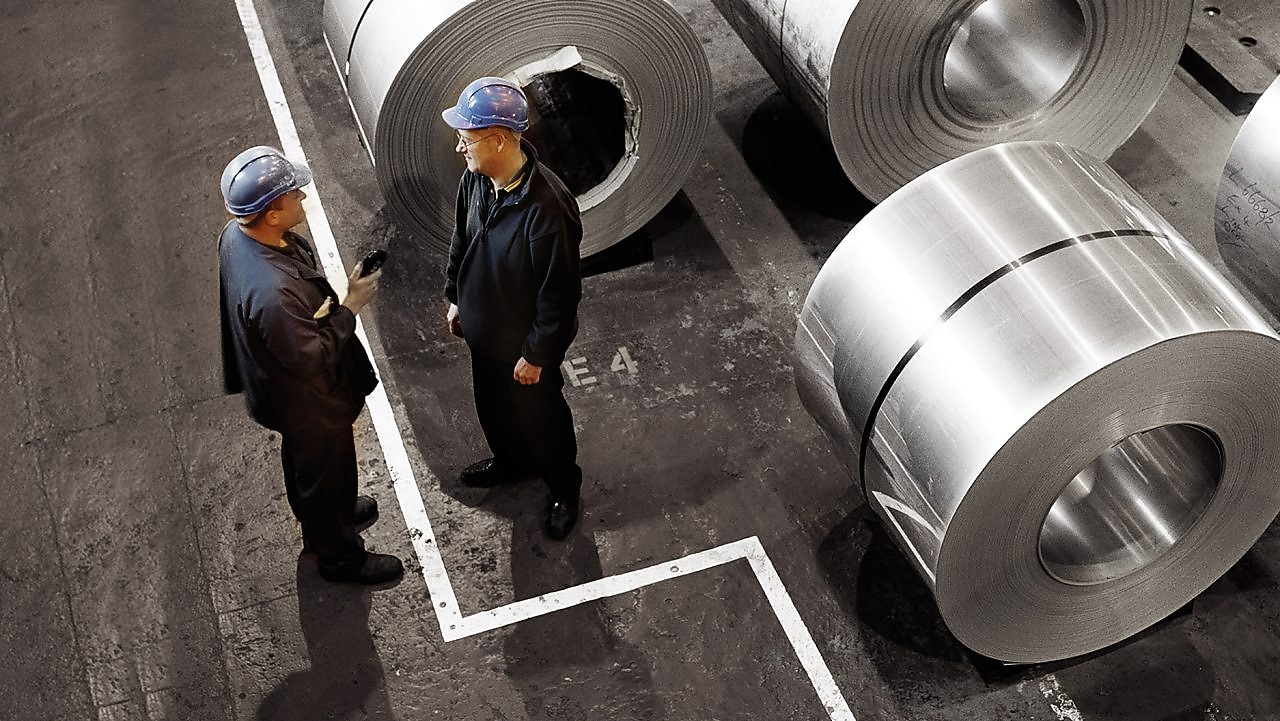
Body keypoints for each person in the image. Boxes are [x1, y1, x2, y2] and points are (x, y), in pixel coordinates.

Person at [218, 145, 404, 584]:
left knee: (309, 463)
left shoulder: (235, 236)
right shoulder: (273, 293)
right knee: (326, 469)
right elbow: (310, 357)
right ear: (271, 213)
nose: (303, 197)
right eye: (294, 195)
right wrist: (349, 306)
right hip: (309, 404)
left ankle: (326, 513)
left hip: (278, 391)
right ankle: (338, 554)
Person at [440, 77, 585, 540]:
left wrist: (539, 354)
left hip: (523, 349)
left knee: (542, 420)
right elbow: (461, 240)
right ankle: (511, 462)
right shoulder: (475, 180)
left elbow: (558, 294)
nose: (459, 147)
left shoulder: (548, 210)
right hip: (484, 332)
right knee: (493, 409)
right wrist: (455, 296)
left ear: (498, 139)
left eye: (466, 138)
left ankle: (564, 489)